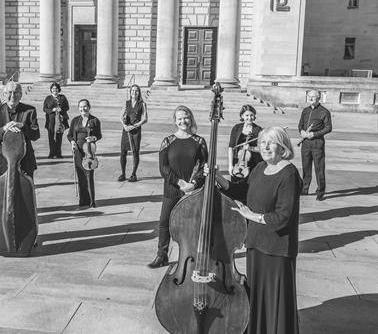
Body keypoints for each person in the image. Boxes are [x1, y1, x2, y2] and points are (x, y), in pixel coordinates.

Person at [213, 126, 302, 334]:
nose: (266, 147)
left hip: (277, 248)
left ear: (283, 147)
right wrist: (218, 178)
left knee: (274, 296)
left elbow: (283, 216)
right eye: (262, 143)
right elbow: (243, 190)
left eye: (271, 143)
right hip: (256, 243)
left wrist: (253, 217)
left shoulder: (289, 174)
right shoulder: (260, 167)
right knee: (257, 293)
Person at [149, 105, 208, 268]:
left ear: (191, 118)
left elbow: (204, 167)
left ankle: (191, 256)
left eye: (186, 117)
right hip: (173, 189)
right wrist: (181, 183)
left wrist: (194, 184)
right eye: (180, 118)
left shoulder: (199, 141)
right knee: (164, 222)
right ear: (175, 121)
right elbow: (163, 168)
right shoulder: (168, 141)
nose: (183, 121)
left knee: (192, 224)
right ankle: (162, 255)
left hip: (193, 190)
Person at [0, 81, 40, 179]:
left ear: (21, 95)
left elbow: (36, 135)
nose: (12, 96)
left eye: (16, 93)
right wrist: (4, 128)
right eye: (9, 92)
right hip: (2, 160)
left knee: (25, 192)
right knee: (2, 192)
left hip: (24, 160)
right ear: (4, 94)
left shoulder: (30, 110)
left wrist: (22, 126)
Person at [298, 89, 332, 201]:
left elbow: (328, 128)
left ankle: (320, 191)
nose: (310, 98)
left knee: (319, 168)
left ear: (319, 98)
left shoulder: (324, 112)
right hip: (306, 143)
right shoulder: (305, 110)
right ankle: (305, 188)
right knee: (306, 167)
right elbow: (300, 125)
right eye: (309, 96)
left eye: (313, 97)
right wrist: (302, 131)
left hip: (317, 143)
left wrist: (314, 134)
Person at [67, 99, 102, 208]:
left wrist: (93, 137)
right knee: (81, 176)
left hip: (89, 151)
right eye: (81, 107)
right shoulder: (75, 120)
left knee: (89, 176)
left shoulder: (95, 120)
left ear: (89, 107)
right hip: (78, 151)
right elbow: (69, 135)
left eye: (85, 106)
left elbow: (99, 135)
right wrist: (72, 142)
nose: (83, 109)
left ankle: (92, 201)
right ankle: (83, 201)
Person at [227, 105, 263, 203]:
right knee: (234, 189)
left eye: (251, 115)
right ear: (242, 116)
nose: (249, 118)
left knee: (249, 190)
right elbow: (231, 147)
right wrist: (230, 165)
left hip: (253, 165)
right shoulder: (236, 128)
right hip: (237, 163)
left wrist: (250, 148)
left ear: (254, 116)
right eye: (247, 115)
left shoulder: (258, 130)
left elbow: (262, 149)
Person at [118, 84, 148, 182]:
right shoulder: (126, 103)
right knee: (123, 152)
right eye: (132, 91)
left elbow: (145, 119)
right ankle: (123, 174)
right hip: (126, 130)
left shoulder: (142, 104)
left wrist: (134, 126)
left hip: (135, 131)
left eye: (136, 91)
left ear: (139, 93)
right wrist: (125, 126)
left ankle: (133, 174)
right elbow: (120, 116)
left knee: (135, 152)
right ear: (130, 92)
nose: (134, 92)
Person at [42, 82, 69, 159]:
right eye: (53, 89)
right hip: (51, 120)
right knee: (51, 137)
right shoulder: (48, 98)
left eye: (56, 88)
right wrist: (52, 110)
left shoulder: (63, 97)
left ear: (59, 89)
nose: (55, 90)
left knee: (59, 136)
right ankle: (51, 153)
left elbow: (67, 107)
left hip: (60, 120)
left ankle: (58, 153)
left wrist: (62, 109)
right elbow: (44, 108)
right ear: (51, 89)